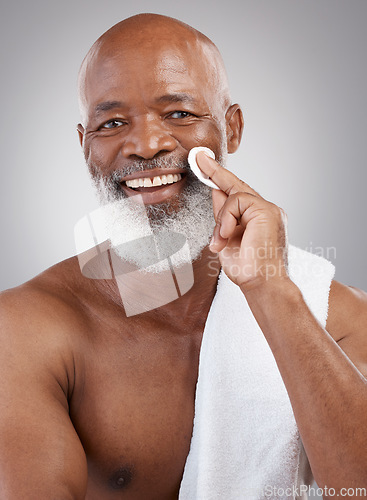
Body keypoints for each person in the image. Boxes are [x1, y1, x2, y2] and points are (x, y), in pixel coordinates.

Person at [0, 13, 367, 500]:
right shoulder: (24, 330)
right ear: (85, 146)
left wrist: (272, 290)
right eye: (112, 123)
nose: (147, 144)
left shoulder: (334, 315)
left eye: (179, 114)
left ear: (231, 129)